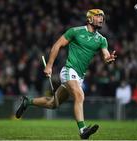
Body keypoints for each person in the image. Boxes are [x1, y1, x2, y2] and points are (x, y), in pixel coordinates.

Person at [15, 9, 116, 139]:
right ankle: (82, 130)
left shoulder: (102, 40)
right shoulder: (75, 31)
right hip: (69, 70)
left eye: (102, 16)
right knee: (79, 96)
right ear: (90, 19)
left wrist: (109, 60)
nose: (102, 19)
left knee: (53, 103)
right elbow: (57, 45)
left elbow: (106, 56)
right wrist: (50, 66)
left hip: (80, 76)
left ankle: (27, 102)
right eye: (98, 16)